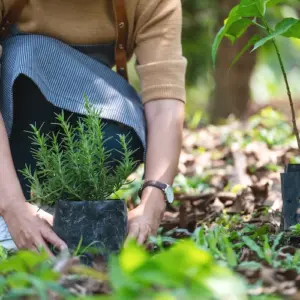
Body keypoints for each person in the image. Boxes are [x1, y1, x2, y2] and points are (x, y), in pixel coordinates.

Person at [0, 0, 186, 253]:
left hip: (87, 98)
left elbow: (165, 102)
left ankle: (56, 209)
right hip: (15, 99)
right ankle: (12, 209)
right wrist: (11, 206)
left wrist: (153, 201)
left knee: (120, 133)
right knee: (28, 56)